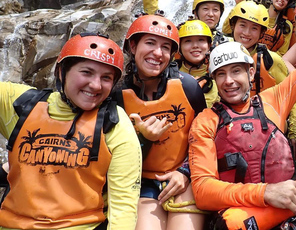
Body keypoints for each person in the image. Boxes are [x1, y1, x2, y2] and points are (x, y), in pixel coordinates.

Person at [188, 0, 296, 229]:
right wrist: (266, 193)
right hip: (241, 215)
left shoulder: (273, 100)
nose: (229, 81)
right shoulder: (205, 121)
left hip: (289, 209)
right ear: (213, 78)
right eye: (220, 74)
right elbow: (203, 190)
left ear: (250, 72)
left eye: (236, 71)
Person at [0, 33, 142, 229]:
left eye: (106, 78)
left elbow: (124, 206)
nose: (96, 85)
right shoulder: (21, 104)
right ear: (61, 72)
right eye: (86, 72)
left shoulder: (114, 122)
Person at [115, 14, 207, 230]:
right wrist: (143, 139)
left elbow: (205, 138)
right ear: (133, 46)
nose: (158, 53)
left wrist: (185, 172)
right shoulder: (117, 95)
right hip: (142, 182)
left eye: (165, 47)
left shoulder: (189, 87)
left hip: (184, 176)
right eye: (150, 43)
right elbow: (114, 159)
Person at [228, 0, 289, 95]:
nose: (247, 33)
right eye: (242, 25)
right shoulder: (221, 53)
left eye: (254, 28)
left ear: (261, 33)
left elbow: (289, 91)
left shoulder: (271, 60)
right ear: (233, 26)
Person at [176, 19, 219, 107]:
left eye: (201, 40)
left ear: (209, 45)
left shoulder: (218, 71)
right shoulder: (170, 73)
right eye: (188, 41)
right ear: (180, 47)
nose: (195, 45)